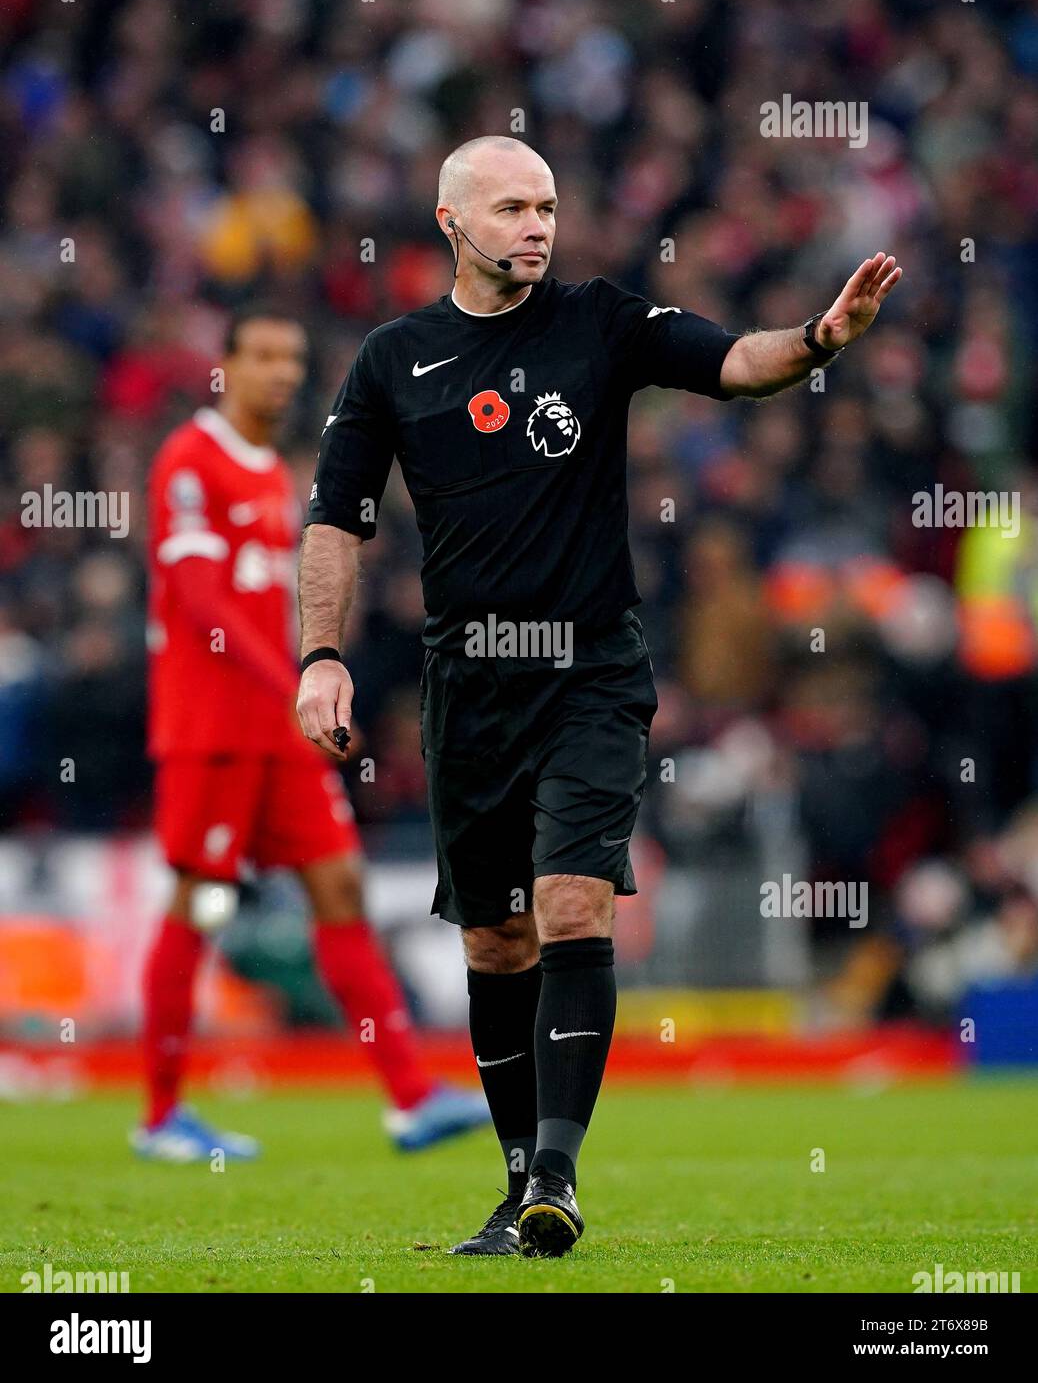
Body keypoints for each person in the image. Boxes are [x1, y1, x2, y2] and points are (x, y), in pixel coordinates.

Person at [296, 136, 902, 1256]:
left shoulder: (602, 322)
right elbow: (336, 516)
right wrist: (320, 657)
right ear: (451, 222)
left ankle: (558, 1178)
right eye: (515, 208)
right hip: (468, 686)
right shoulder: (394, 359)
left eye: (550, 207)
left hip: (590, 671)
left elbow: (736, 361)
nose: (537, 226)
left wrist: (820, 341)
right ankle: (519, 1178)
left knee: (572, 904)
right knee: (494, 942)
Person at [135, 303, 489, 1162]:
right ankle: (161, 1117)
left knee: (339, 889)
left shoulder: (273, 472)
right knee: (202, 902)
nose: (281, 372)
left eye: (291, 356)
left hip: (279, 734)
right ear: (225, 365)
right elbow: (199, 599)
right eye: (261, 355)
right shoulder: (192, 459)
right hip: (212, 730)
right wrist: (297, 676)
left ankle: (409, 1097)